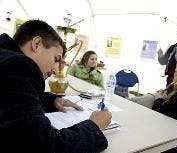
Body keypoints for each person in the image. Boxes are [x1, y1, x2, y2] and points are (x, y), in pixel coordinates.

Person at [0, 20, 112, 153]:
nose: (55, 70)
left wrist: (53, 100)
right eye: (56, 59)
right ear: (36, 44)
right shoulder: (18, 66)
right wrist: (94, 126)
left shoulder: (5, 58)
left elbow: (14, 98)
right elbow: (48, 146)